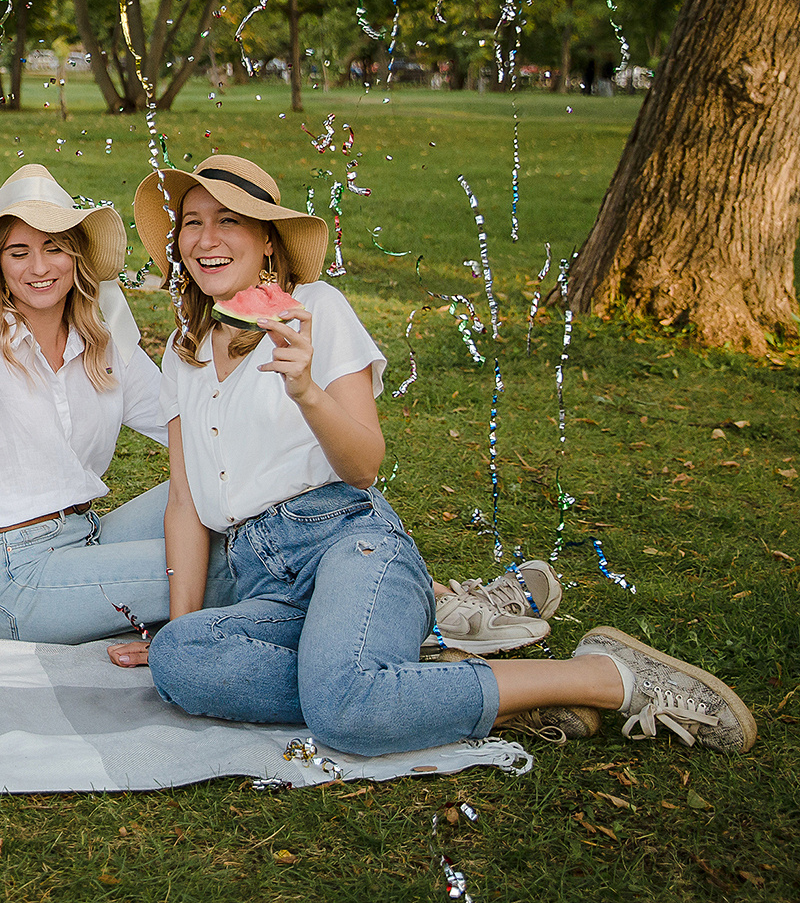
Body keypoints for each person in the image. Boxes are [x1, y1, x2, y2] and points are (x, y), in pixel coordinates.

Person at [113, 154, 756, 756]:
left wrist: (306, 390)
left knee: (343, 714)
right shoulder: (182, 350)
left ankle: (601, 675)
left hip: (349, 543)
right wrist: (179, 625)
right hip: (263, 579)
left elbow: (364, 466)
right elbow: (185, 502)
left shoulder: (317, 310)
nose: (206, 238)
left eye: (229, 220)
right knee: (179, 662)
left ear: (269, 242)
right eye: (192, 222)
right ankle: (425, 683)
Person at [0, 165, 228, 644]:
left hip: (89, 533)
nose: (39, 268)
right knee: (224, 568)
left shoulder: (104, 342)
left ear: (75, 256)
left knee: (224, 492)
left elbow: (187, 424)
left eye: (54, 248)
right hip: (17, 574)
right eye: (19, 253)